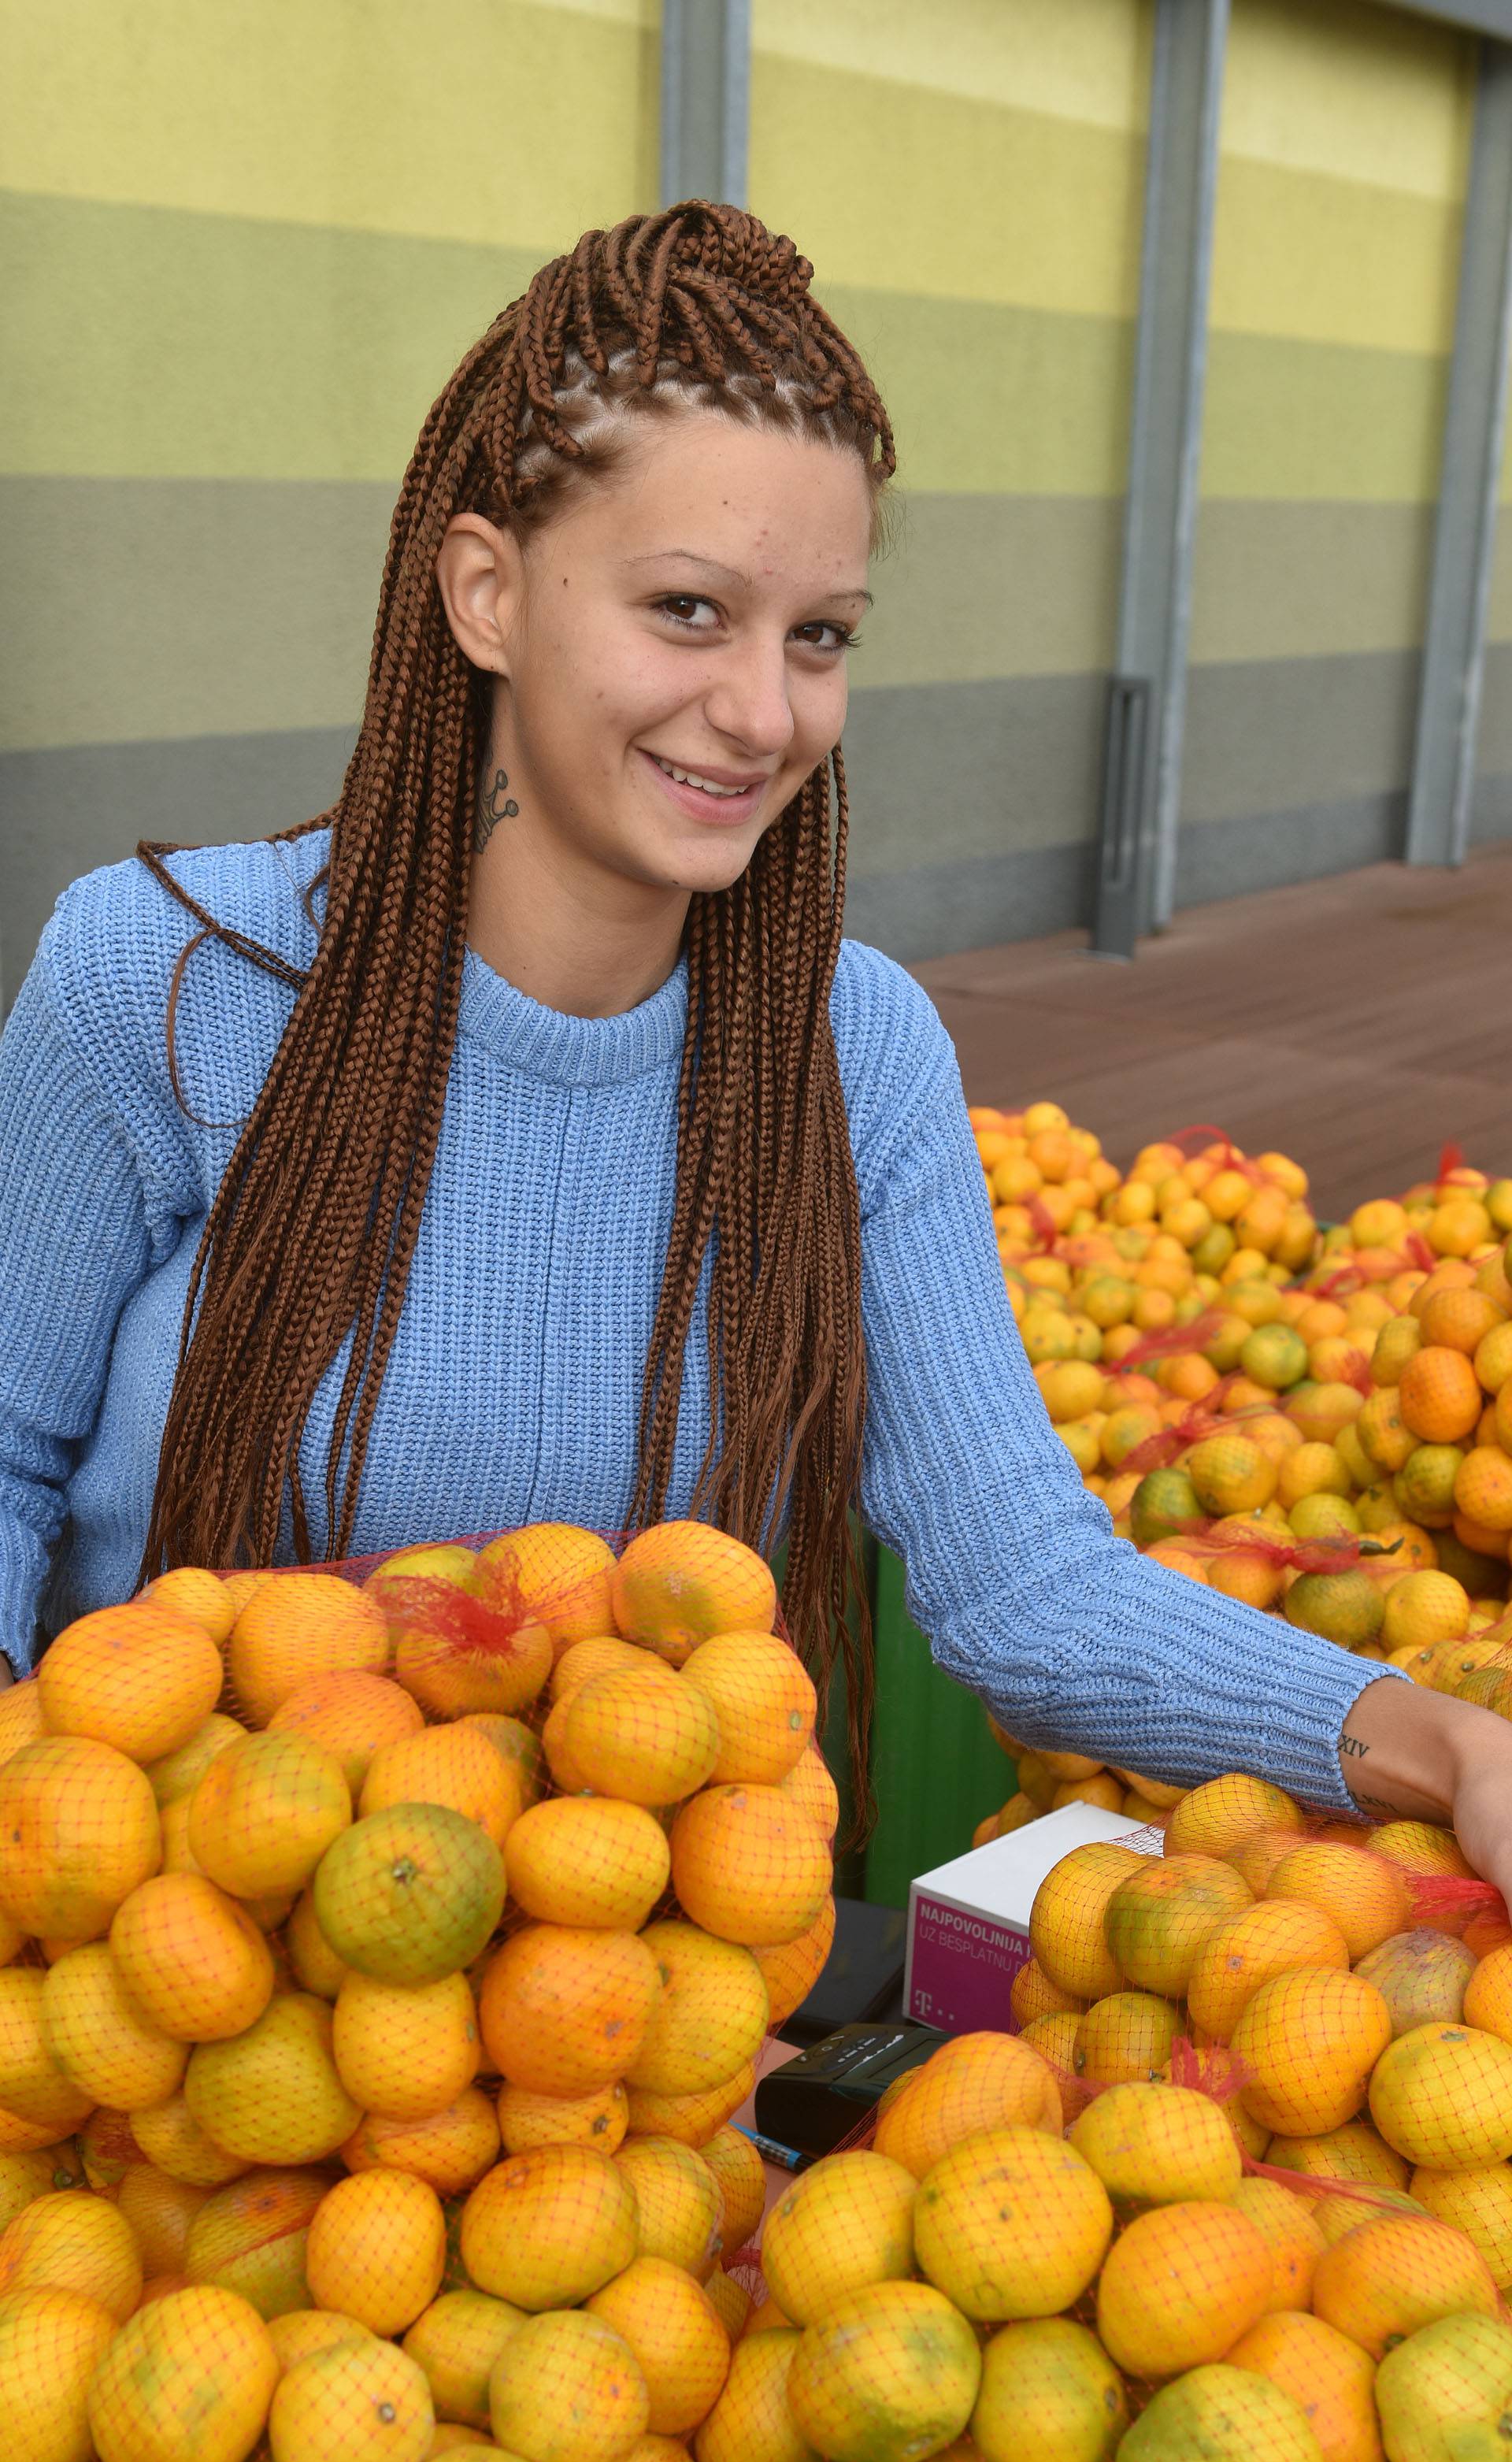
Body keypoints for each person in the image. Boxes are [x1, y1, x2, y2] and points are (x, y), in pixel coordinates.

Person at [0, 202, 1506, 1893]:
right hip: (164, 2017)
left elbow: (1025, 1583)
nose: (766, 711)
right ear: (487, 593)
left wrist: (1441, 1736)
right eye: (690, 609)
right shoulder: (168, 981)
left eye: (821, 635)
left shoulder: (852, 1053)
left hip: (610, 2066)